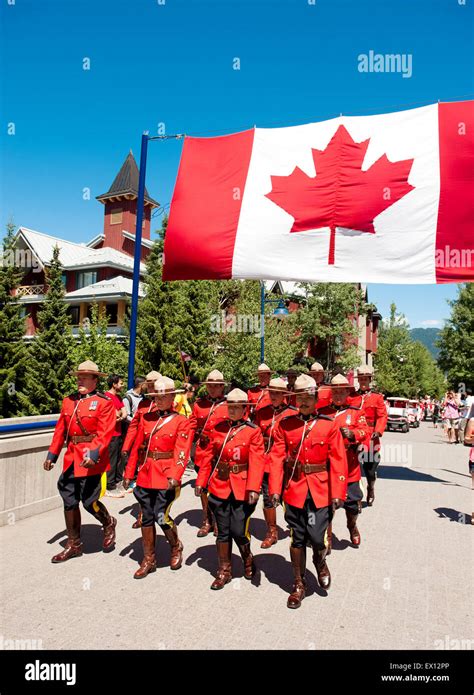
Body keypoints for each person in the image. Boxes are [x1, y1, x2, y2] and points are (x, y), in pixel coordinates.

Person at [269, 374, 347, 609]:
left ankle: (319, 560)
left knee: (316, 536)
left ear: (315, 398)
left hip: (320, 489)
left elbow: (338, 460)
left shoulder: (328, 425)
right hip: (294, 489)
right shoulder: (286, 425)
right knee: (297, 537)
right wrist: (274, 489)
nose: (303, 402)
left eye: (307, 397)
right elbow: (275, 458)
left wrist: (338, 492)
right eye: (299, 397)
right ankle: (298, 584)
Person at [43, 360, 117, 563]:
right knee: (69, 499)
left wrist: (93, 454)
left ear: (95, 380)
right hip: (72, 457)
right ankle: (74, 544)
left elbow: (105, 433)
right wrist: (52, 454)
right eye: (78, 377)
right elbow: (61, 430)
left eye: (85, 377)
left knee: (89, 501)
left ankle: (108, 522)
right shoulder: (69, 401)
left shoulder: (104, 402)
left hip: (91, 459)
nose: (80, 380)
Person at [195, 389, 265, 590]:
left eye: (237, 407)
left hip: (242, 486)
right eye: (230, 407)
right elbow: (208, 458)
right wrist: (201, 481)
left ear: (244, 409)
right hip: (220, 485)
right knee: (223, 531)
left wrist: (254, 487)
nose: (233, 411)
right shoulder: (218, 429)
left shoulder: (253, 431)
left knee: (238, 529)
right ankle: (224, 571)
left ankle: (247, 556)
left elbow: (257, 461)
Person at [123, 377, 192, 579]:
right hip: (146, 473)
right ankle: (149, 559)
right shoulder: (147, 418)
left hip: (166, 474)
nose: (160, 401)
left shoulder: (181, 421)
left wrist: (175, 475)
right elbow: (137, 447)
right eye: (157, 397)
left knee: (161, 516)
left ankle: (175, 546)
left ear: (172, 397)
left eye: (164, 397)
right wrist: (129, 473)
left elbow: (182, 451)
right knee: (147, 516)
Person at [319, 375, 370, 549]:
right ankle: (327, 538)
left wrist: (353, 434)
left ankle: (352, 525)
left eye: (342, 391)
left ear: (348, 392)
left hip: (349, 466)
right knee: (326, 505)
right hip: (327, 466)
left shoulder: (355, 412)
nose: (339, 394)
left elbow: (365, 431)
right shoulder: (323, 413)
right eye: (336, 391)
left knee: (352, 504)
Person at [254, 377, 297, 548]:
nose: (274, 396)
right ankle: (272, 531)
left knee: (289, 496)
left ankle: (295, 528)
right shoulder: (262, 412)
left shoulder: (292, 413)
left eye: (278, 393)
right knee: (267, 497)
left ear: (285, 395)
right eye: (272, 393)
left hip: (285, 461)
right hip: (266, 461)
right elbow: (256, 434)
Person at [189, 370, 229, 537]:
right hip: (203, 451)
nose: (212, 389)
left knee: (219, 487)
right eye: (209, 386)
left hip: (221, 453)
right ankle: (206, 519)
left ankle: (220, 520)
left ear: (222, 387)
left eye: (216, 386)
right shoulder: (199, 404)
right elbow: (192, 425)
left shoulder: (229, 405)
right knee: (203, 487)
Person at [121, 371, 161, 527]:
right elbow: (134, 426)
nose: (150, 387)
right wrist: (126, 447)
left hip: (159, 454)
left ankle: (159, 516)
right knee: (141, 484)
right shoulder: (143, 405)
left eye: (153, 384)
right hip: (143, 451)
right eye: (148, 384)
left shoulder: (166, 403)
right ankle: (142, 514)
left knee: (158, 490)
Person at [348, 365, 387, 506]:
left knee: (370, 470)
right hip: (355, 436)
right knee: (353, 468)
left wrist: (378, 430)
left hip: (370, 437)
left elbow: (382, 416)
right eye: (361, 379)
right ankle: (356, 496)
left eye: (366, 379)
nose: (363, 381)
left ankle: (371, 487)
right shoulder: (352, 397)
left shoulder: (377, 397)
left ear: (370, 380)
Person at [104, 374, 127, 497]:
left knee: (119, 459)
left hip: (119, 432)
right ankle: (109, 485)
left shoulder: (118, 397)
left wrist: (118, 415)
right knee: (112, 460)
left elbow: (123, 414)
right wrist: (117, 415)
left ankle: (117, 481)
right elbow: (113, 416)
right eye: (121, 383)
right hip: (111, 434)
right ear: (114, 384)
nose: (122, 385)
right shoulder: (106, 397)